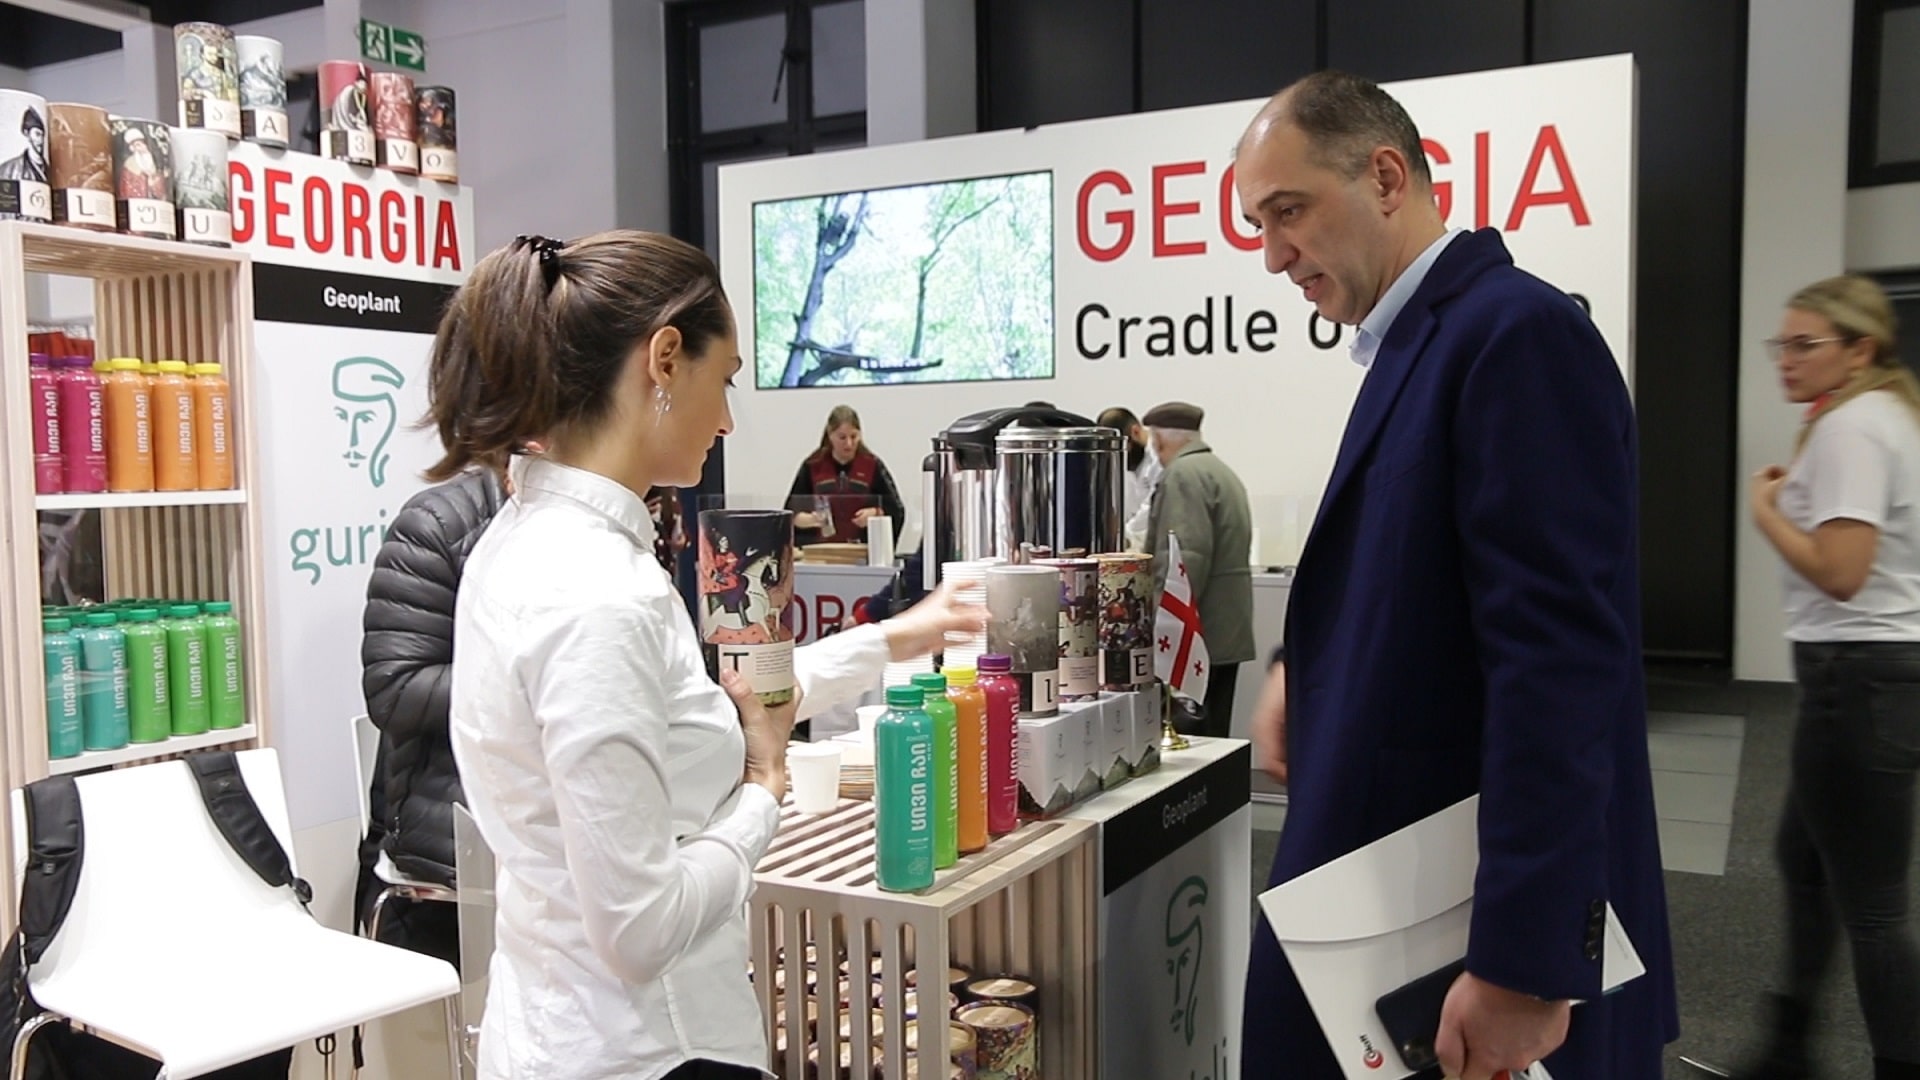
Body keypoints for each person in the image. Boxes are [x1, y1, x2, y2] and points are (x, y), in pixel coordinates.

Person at [429, 231, 983, 1080]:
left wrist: (897, 637)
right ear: (664, 360)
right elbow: (640, 931)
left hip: (553, 1033)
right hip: (652, 1051)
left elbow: (703, 716)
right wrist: (763, 792)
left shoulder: (524, 544)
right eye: (724, 381)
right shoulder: (598, 593)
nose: (726, 419)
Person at [1233, 72, 1675, 1080]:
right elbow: (1422, 576)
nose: (1272, 255)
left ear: (1387, 177)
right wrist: (1304, 664)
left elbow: (1557, 667)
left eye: (1288, 211)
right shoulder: (1428, 343)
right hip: (1396, 886)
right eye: (1259, 224)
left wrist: (1526, 961)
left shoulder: (1515, 336)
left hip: (1460, 916)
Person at [1740, 276, 1920, 1080]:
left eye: (1804, 344)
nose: (1786, 359)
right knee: (1803, 858)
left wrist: (1766, 511)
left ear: (1859, 349)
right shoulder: (1881, 416)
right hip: (1867, 677)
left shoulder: (1852, 427)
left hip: (1856, 679)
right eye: (1782, 344)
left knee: (1874, 910)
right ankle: (1789, 1049)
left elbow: (1842, 573)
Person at [356, 464, 506, 966]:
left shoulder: (622, 523)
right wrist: (536, 677)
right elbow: (395, 690)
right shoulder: (442, 522)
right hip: (459, 851)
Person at [1140, 402, 1253, 734]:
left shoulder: (1183, 475)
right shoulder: (1219, 471)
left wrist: (1159, 626)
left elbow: (1183, 561)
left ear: (1158, 440)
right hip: (1222, 631)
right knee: (1215, 739)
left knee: (1189, 743)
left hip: (1194, 637)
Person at [787, 404, 907, 546]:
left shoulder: (872, 465)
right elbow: (791, 513)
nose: (849, 444)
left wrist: (875, 513)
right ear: (830, 435)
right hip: (820, 551)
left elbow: (896, 510)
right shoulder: (812, 465)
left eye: (854, 437)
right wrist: (810, 520)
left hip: (862, 550)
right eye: (842, 437)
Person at [1097, 406, 1161, 550]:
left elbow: (1152, 505)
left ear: (1135, 432)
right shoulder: (1128, 461)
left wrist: (1126, 534)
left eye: (1124, 448)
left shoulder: (1158, 459)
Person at [0, 105, 47, 184]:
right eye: (37, 134)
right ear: (27, 133)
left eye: (43, 135)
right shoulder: (9, 170)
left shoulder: (48, 169)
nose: (41, 140)